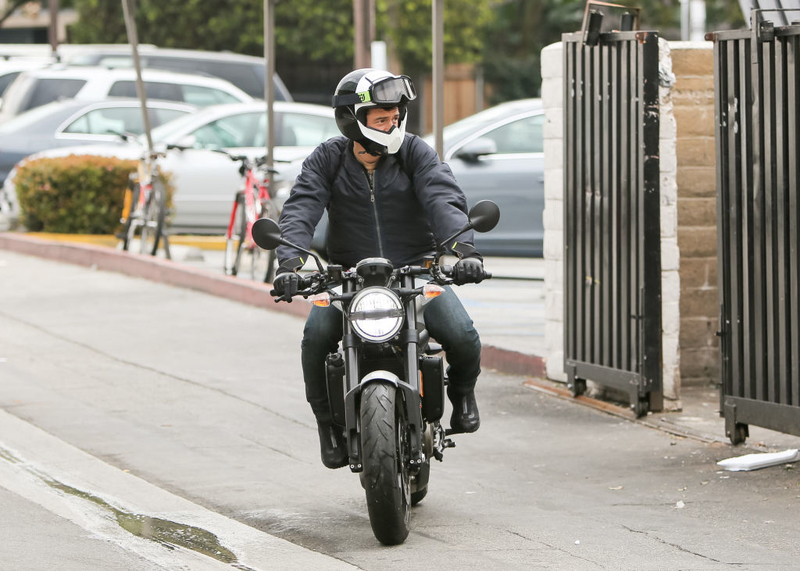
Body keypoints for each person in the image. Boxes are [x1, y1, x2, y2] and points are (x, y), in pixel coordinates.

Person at [272, 69, 486, 469]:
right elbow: (301, 208)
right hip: (346, 277)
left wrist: (463, 250)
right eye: (381, 119)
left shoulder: (414, 153)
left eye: (395, 117)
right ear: (353, 121)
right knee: (315, 338)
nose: (392, 125)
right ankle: (326, 426)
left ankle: (461, 394)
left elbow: (442, 197)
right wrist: (290, 264)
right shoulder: (328, 159)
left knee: (462, 332)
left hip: (415, 272)